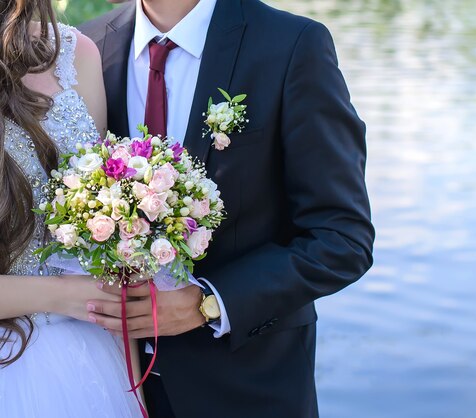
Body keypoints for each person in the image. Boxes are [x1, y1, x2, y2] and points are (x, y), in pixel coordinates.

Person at [81, 0, 375, 417]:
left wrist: (210, 302)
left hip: (245, 390)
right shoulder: (88, 46)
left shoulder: (291, 46)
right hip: (106, 384)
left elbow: (343, 238)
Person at [0, 1, 143, 417]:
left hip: (90, 360)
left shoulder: (77, 52)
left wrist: (136, 393)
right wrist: (63, 296)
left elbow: (103, 235)